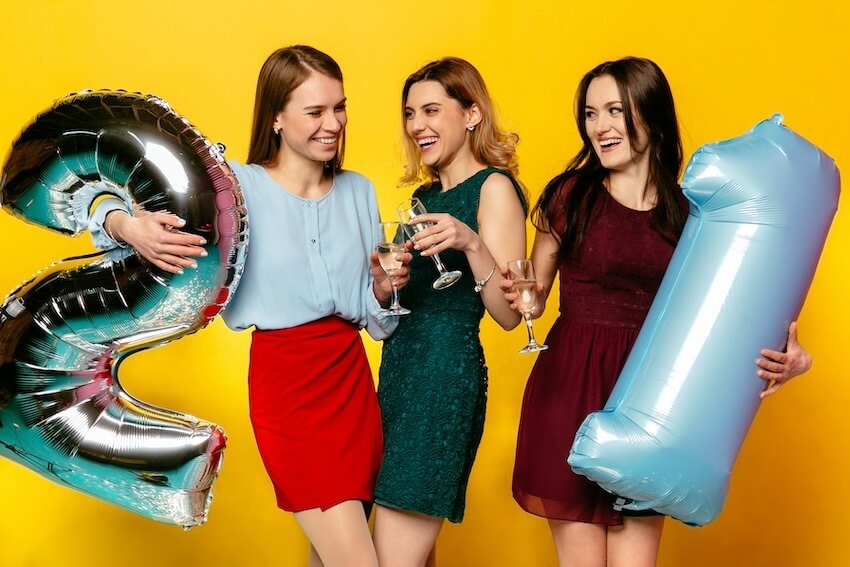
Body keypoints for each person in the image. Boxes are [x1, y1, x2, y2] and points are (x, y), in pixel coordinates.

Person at [86, 45, 409, 567]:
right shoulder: (234, 190)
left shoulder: (359, 191)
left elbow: (376, 322)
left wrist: (383, 290)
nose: (333, 124)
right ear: (276, 118)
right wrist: (126, 225)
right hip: (289, 389)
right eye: (315, 111)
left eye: (339, 107)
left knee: (331, 556)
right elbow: (108, 205)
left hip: (352, 383)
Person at [506, 56, 813, 567]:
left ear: (651, 115)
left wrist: (796, 358)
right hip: (572, 387)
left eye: (614, 110)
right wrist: (525, 296)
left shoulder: (695, 210)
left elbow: (731, 309)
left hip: (655, 401)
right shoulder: (570, 195)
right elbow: (533, 294)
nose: (599, 126)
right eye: (590, 114)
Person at [372, 57, 528, 567]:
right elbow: (400, 304)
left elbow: (508, 315)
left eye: (431, 110)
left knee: (392, 552)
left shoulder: (494, 187)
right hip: (398, 375)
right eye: (410, 113)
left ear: (472, 114)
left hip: (442, 378)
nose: (417, 125)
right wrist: (383, 285)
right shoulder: (422, 198)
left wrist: (471, 242)